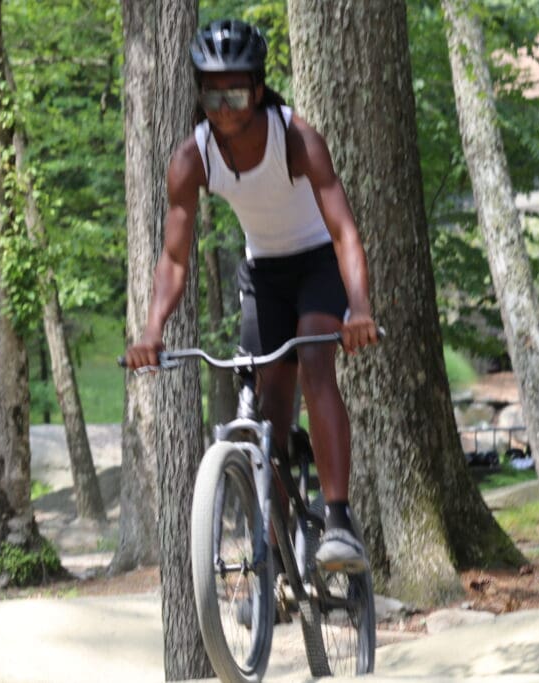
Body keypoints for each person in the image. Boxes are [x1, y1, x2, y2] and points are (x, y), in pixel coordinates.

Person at [123, 19, 379, 572]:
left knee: (315, 363)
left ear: (259, 89)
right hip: (264, 273)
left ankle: (338, 522)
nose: (224, 106)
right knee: (269, 410)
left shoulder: (296, 139)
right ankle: (276, 559)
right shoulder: (192, 159)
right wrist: (152, 331)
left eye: (236, 92)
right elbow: (173, 257)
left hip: (318, 265)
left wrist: (358, 306)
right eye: (211, 93)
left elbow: (344, 232)